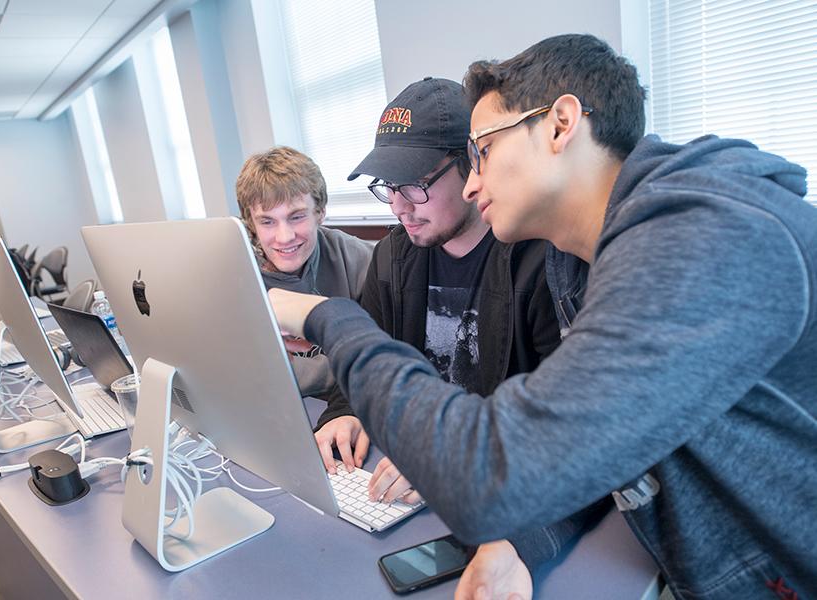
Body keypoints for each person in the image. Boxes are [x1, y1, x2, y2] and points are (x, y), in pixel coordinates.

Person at [268, 34, 817, 599]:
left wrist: (329, 319)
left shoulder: (700, 238)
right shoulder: (580, 261)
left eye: (483, 149)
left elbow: (494, 476)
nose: (476, 179)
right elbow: (585, 446)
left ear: (560, 123)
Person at [315, 77, 603, 576]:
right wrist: (344, 411)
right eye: (388, 188)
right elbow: (366, 357)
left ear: (473, 164)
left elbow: (574, 441)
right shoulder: (392, 257)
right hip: (397, 491)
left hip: (493, 492)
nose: (398, 207)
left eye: (414, 186)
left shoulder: (544, 266)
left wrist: (443, 462)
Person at [235, 146, 372, 397]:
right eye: (267, 221)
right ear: (250, 224)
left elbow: (378, 360)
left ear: (319, 212)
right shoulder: (232, 275)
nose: (284, 237)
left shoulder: (360, 259)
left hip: (346, 404)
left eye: (297, 217)